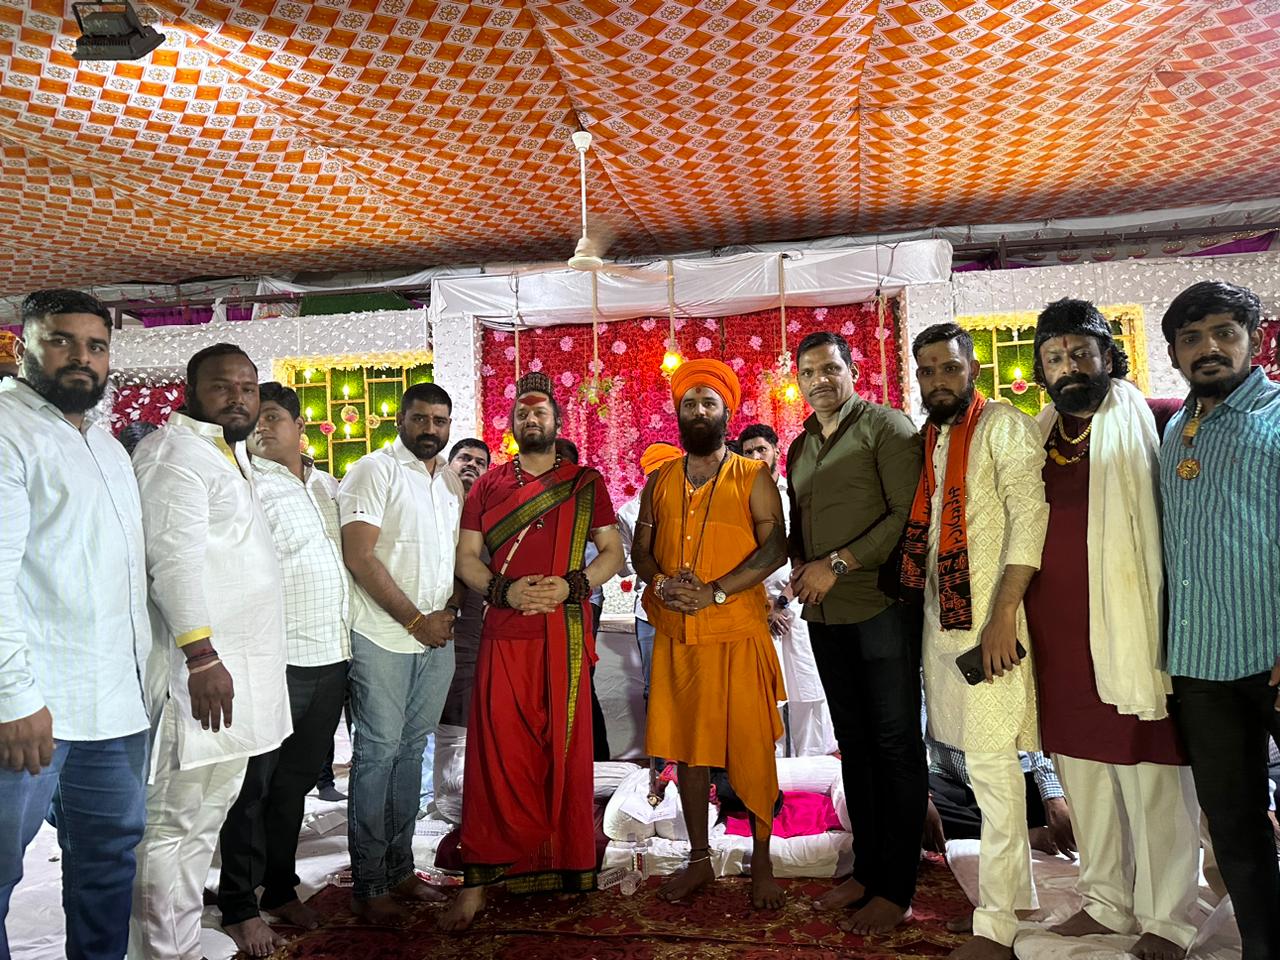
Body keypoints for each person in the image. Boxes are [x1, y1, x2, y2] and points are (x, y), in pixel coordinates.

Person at [1024, 299, 1200, 960]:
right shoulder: (1036, 435)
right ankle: (1104, 902)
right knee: (1086, 774)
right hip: (1059, 639)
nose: (1069, 367)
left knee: (1152, 776)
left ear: (1107, 356)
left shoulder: (1158, 420)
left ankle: (1169, 918)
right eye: (1055, 357)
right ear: (1042, 369)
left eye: (1081, 353)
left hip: (1137, 636)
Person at [441, 371, 622, 931]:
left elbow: (612, 552)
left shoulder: (585, 483)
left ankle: (564, 863)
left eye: (540, 411)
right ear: (512, 424)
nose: (531, 418)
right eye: (522, 412)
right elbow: (466, 558)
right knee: (497, 750)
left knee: (563, 750)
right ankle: (479, 879)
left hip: (564, 631)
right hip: (505, 628)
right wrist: (504, 591)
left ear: (557, 421)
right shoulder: (487, 486)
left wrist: (573, 585)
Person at [0, 290, 150, 960]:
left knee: (108, 863)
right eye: (61, 341)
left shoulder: (106, 445)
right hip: (34, 708)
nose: (82, 359)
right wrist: (13, 698)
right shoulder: (8, 430)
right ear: (21, 348)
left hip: (114, 706)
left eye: (96, 346)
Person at [130, 343, 292, 960]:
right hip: (200, 672)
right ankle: (159, 951)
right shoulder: (172, 455)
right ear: (191, 391)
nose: (238, 398)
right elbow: (171, 564)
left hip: (239, 669)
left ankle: (180, 939)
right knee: (171, 823)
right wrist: (201, 656)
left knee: (206, 817)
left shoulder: (228, 451)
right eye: (222, 387)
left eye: (248, 388)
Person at [905, 323, 1048, 960]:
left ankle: (999, 925)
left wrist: (1003, 616)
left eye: (950, 368)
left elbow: (1030, 519)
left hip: (993, 624)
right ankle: (1015, 900)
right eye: (927, 370)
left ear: (974, 370)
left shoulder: (1002, 426)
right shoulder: (931, 439)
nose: (939, 380)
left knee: (993, 771)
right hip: (945, 625)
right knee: (981, 767)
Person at [632, 358, 789, 911]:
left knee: (752, 747)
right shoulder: (660, 480)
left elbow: (776, 548)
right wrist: (660, 583)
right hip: (678, 634)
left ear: (726, 412)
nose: (698, 411)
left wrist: (716, 591)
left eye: (709, 403)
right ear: (677, 412)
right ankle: (699, 859)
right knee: (690, 753)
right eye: (689, 403)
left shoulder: (753, 476)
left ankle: (762, 861)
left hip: (737, 632)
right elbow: (641, 549)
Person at [784, 331, 926, 932]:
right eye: (808, 372)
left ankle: (897, 887)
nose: (820, 380)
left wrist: (837, 564)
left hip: (880, 607)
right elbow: (799, 520)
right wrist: (799, 563)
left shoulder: (885, 427)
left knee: (895, 746)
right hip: (825, 616)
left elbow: (907, 513)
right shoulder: (799, 445)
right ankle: (868, 872)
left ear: (852, 371)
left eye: (830, 368)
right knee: (856, 746)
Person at [1158, 281, 1280, 960]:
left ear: (1253, 340)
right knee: (1233, 823)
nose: (1208, 348)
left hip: (1273, 654)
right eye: (1192, 338)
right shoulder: (1174, 428)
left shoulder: (1277, 417)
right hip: (1201, 663)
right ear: (1175, 353)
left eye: (1224, 332)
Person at [214, 382, 352, 955]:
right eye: (255, 419)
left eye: (272, 416)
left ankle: (279, 887)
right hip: (275, 658)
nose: (261, 427)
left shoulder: (326, 486)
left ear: (301, 426)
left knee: (294, 784)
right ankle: (239, 906)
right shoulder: (245, 482)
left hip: (331, 654)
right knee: (253, 788)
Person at [338, 382, 463, 923]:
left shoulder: (450, 481)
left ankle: (401, 870)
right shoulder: (373, 471)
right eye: (420, 418)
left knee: (411, 753)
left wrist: (448, 612)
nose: (430, 429)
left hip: (435, 638)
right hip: (382, 637)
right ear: (401, 420)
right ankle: (370, 884)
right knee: (377, 756)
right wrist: (415, 621)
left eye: (440, 420)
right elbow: (360, 556)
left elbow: (456, 558)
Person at [739, 422, 836, 759]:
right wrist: (764, 604)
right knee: (765, 690)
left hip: (799, 601)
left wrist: (781, 602)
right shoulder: (737, 498)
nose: (755, 456)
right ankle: (772, 762)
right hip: (754, 606)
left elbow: (808, 550)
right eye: (748, 452)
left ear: (776, 452)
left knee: (807, 686)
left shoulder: (796, 493)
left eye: (761, 449)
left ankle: (812, 760)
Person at [427, 438, 492, 824]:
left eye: (480, 462)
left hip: (471, 633)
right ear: (448, 465)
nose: (471, 465)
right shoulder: (432, 506)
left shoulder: (489, 516)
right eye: (464, 458)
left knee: (461, 709)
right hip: (422, 622)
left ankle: (454, 797)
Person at [924, 736, 1076, 859]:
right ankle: (1019, 835)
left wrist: (1053, 798)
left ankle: (980, 828)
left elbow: (1036, 737)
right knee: (916, 797)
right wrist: (924, 797)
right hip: (954, 784)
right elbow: (913, 738)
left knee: (1071, 786)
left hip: (1011, 784)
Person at [555, 437, 612, 761]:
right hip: (548, 598)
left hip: (585, 597)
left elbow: (611, 552)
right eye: (554, 457)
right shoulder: (533, 496)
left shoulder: (588, 495)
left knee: (580, 676)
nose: (559, 464)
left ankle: (596, 758)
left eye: (565, 459)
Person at [617, 442, 683, 702]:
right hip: (649, 610)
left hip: (689, 607)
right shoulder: (628, 512)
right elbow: (623, 567)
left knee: (690, 686)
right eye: (658, 471)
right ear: (648, 473)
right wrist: (648, 562)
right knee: (654, 687)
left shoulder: (695, 505)